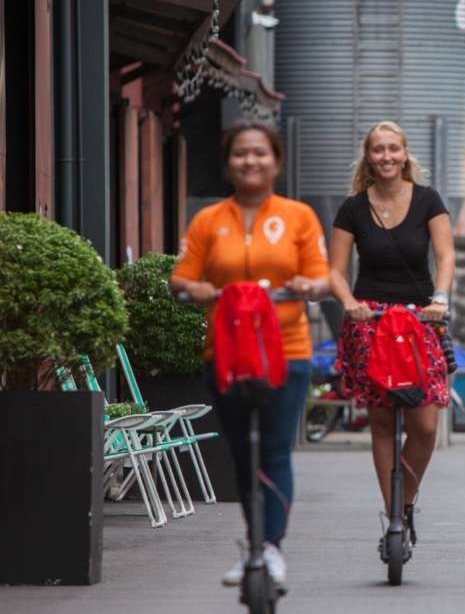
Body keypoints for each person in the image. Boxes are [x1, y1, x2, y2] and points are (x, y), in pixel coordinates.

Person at [171, 121, 332, 588]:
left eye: (260, 154)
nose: (251, 162)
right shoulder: (208, 221)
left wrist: (307, 285)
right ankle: (253, 543)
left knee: (275, 450)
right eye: (241, 154)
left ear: (276, 162)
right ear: (229, 163)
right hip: (225, 351)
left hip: (287, 351)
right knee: (242, 454)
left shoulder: (299, 217)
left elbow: (321, 278)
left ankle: (273, 549)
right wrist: (196, 288)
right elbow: (182, 276)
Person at [327, 120, 455, 545]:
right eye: (378, 150)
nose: (386, 157)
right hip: (371, 321)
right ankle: (394, 520)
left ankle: (405, 502)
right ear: (368, 157)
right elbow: (335, 269)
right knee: (382, 423)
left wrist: (440, 298)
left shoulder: (428, 200)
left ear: (405, 154)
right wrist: (348, 302)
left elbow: (445, 254)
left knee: (424, 423)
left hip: (421, 319)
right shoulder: (352, 209)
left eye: (393, 149)